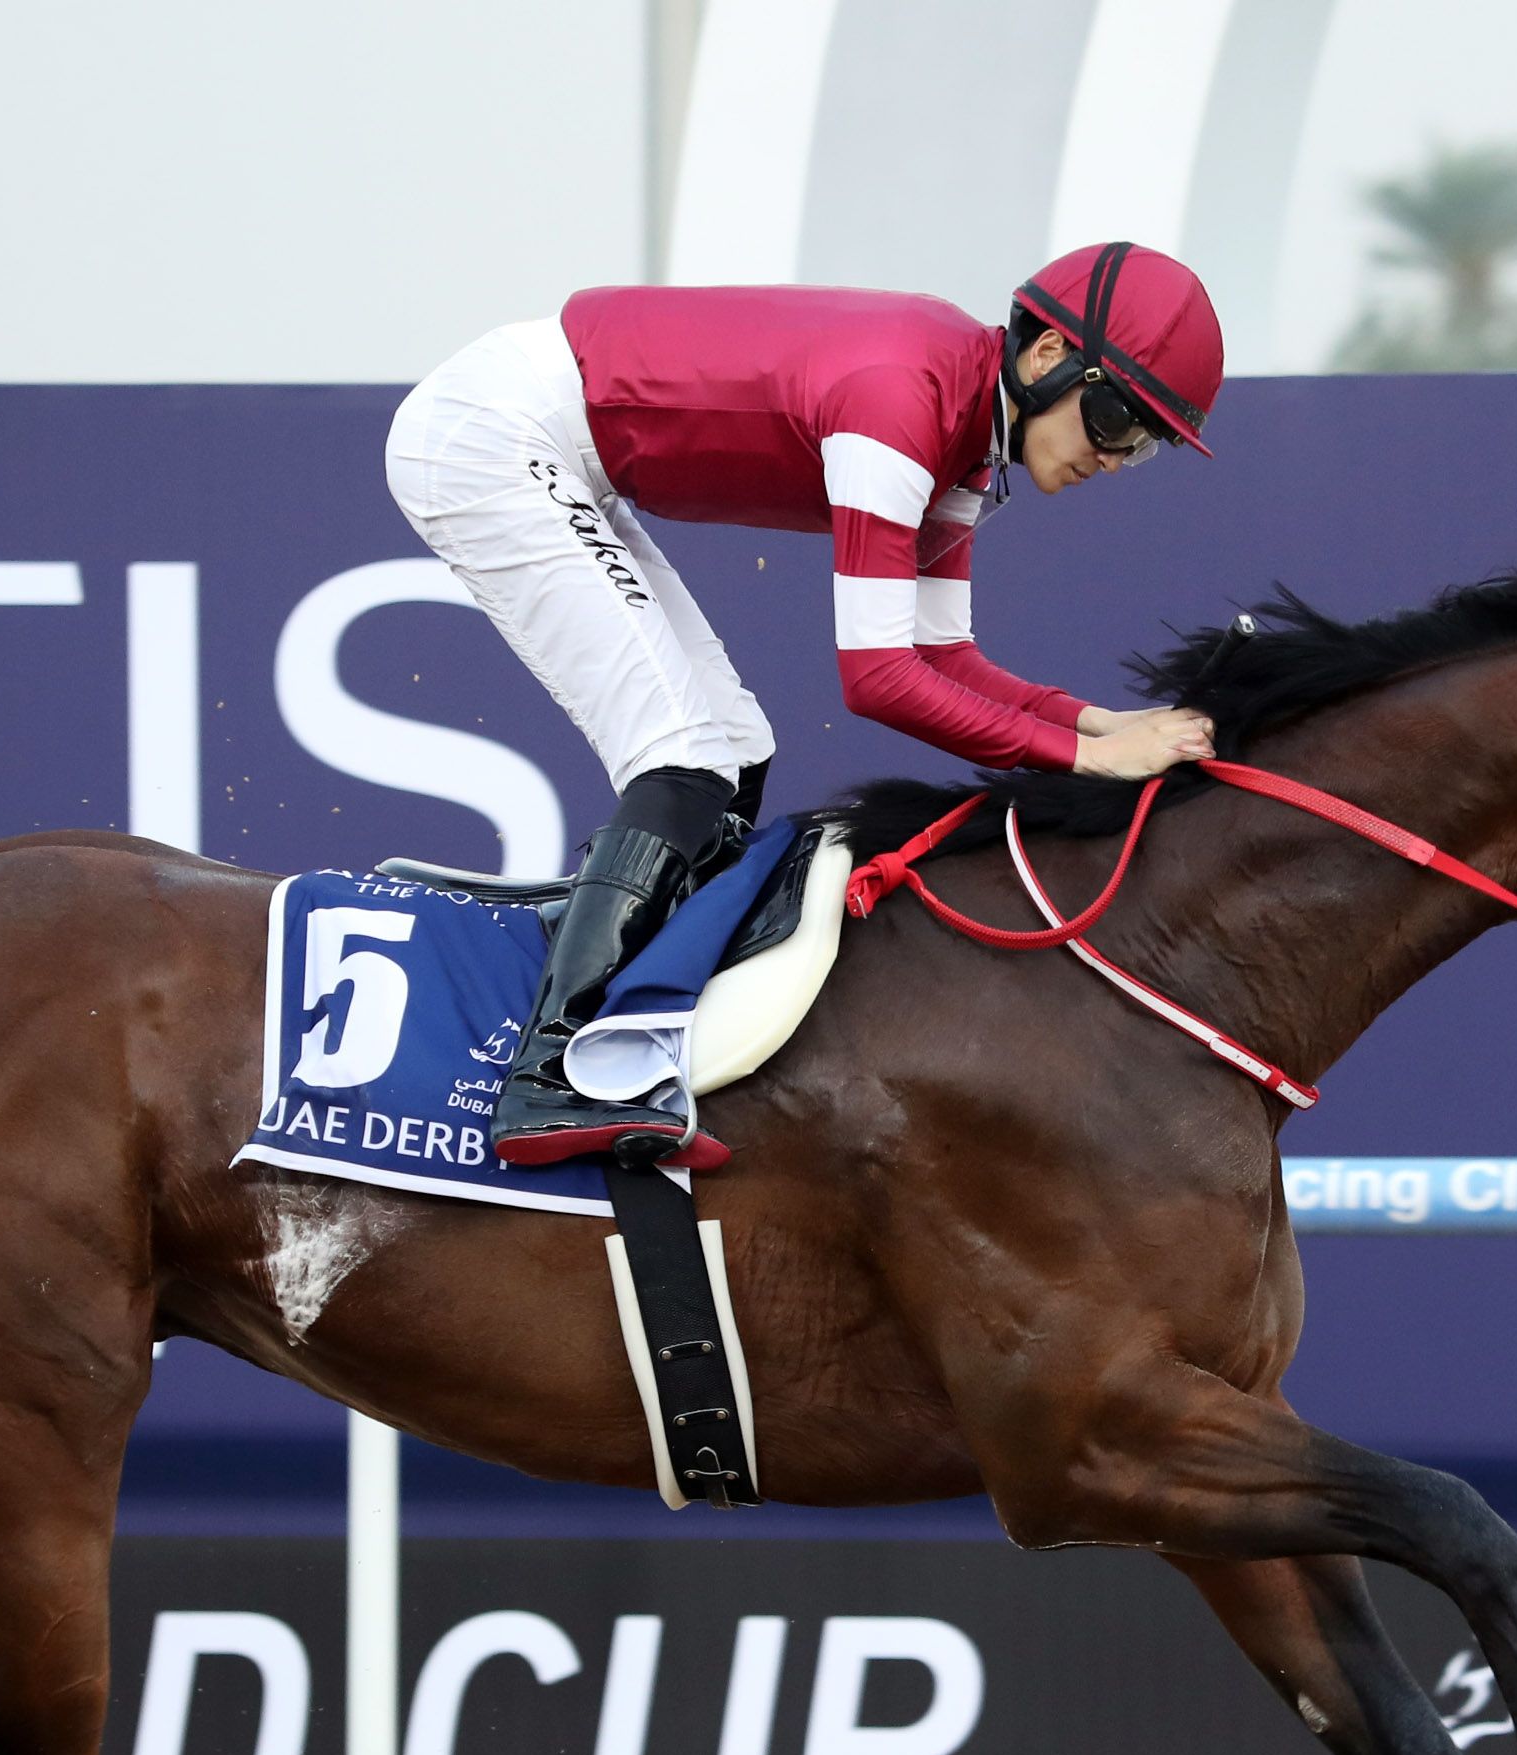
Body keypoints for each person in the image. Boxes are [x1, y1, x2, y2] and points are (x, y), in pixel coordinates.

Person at [386, 240, 1226, 1169]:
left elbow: (942, 655)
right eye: (1114, 418)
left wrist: (1087, 723)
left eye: (1143, 445)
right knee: (684, 753)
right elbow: (878, 680)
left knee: (735, 747)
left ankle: (637, 1034)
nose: (1114, 457)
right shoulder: (902, 403)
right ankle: (550, 1080)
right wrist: (1084, 762)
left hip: (556, 441)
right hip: (496, 434)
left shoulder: (969, 449)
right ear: (1044, 359)